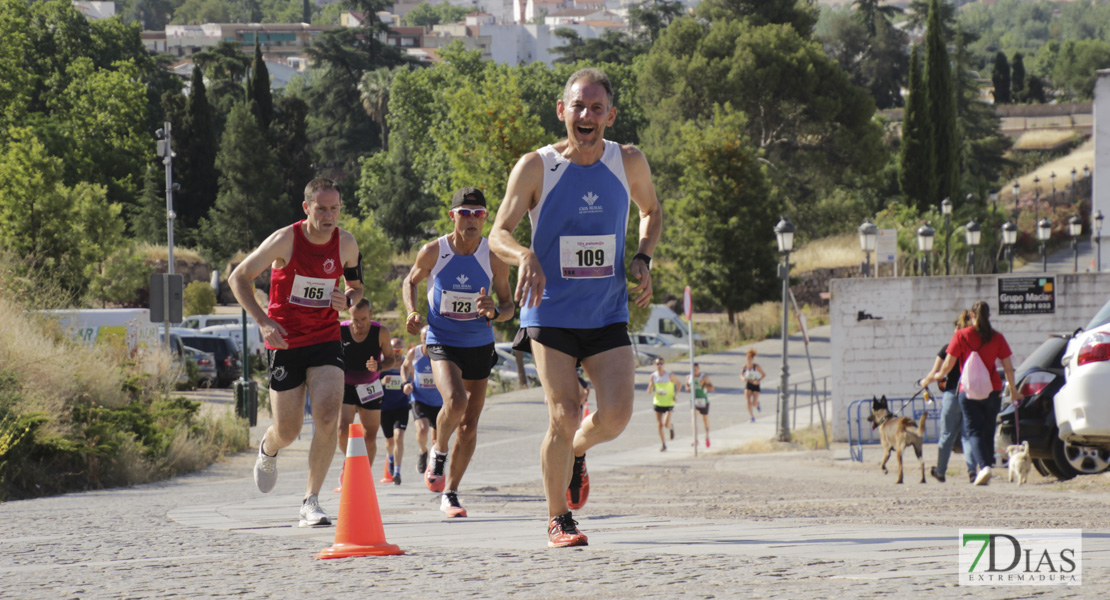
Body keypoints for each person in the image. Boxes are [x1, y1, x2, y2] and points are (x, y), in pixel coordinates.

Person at [489, 67, 662, 548]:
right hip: (549, 312)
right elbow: (498, 232)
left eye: (596, 108)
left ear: (610, 114)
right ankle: (558, 518)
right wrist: (524, 255)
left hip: (606, 312)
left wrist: (643, 257)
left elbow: (651, 210)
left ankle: (578, 453)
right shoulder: (536, 166)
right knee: (563, 413)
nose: (586, 116)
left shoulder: (627, 162)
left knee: (617, 416)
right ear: (562, 111)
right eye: (577, 107)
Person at [229, 177, 362, 527]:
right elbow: (238, 278)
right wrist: (262, 321)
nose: (329, 215)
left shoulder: (346, 243)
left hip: (326, 338)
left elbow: (356, 287)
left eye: (334, 208)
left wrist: (347, 300)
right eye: (321, 208)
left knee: (329, 416)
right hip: (286, 341)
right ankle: (269, 447)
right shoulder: (285, 239)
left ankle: (311, 500)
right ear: (307, 208)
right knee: (287, 430)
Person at [402, 187, 515, 518]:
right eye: (465, 213)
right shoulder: (434, 251)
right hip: (441, 339)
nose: (472, 220)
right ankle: (438, 451)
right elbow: (410, 281)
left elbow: (509, 306)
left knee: (469, 426)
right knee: (455, 401)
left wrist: (495, 310)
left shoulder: (493, 256)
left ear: (485, 219)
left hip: (479, 344)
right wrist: (412, 311)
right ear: (452, 216)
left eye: (478, 214)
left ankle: (450, 492)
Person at [932, 301, 1017, 486]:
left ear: (972, 315)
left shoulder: (961, 335)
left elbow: (947, 365)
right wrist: (1014, 391)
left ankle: (984, 467)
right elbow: (1008, 368)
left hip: (968, 390)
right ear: (988, 316)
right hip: (992, 389)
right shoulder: (997, 337)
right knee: (987, 430)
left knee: (972, 430)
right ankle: (985, 466)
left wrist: (934, 377)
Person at [334, 299, 394, 491]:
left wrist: (379, 366)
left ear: (371, 314)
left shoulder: (381, 332)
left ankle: (362, 476)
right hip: (346, 385)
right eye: (355, 320)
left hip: (370, 386)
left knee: (370, 436)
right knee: (343, 429)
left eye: (363, 319)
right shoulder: (340, 330)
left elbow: (391, 359)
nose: (359, 324)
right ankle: (349, 462)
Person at [918, 310, 971, 483]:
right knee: (967, 435)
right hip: (971, 394)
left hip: (952, 394)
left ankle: (940, 471)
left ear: (956, 328)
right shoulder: (973, 347)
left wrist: (924, 382)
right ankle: (973, 471)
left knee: (947, 434)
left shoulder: (947, 348)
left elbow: (937, 374)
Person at [402, 326, 442, 481]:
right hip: (419, 398)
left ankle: (434, 467)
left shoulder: (440, 353)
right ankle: (422, 451)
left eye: (430, 338)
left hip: (438, 401)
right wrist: (406, 383)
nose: (427, 341)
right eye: (425, 338)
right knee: (423, 429)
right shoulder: (415, 353)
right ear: (421, 338)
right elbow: (404, 367)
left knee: (437, 440)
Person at [379, 337, 409, 485]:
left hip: (402, 406)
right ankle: (390, 458)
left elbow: (415, 378)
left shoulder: (405, 364)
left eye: (399, 350)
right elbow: (372, 381)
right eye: (393, 350)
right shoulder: (384, 363)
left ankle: (397, 471)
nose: (396, 353)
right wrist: (382, 382)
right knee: (389, 441)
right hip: (385, 408)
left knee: (399, 437)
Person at [647, 357, 682, 451]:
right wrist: (650, 389)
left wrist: (675, 395)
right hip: (658, 402)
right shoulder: (653, 376)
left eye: (661, 363)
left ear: (664, 364)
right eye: (657, 364)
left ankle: (671, 427)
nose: (659, 365)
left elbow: (679, 384)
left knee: (666, 423)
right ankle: (663, 444)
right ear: (655, 365)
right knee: (659, 425)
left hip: (668, 402)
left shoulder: (669, 375)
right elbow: (650, 387)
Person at [687, 363, 716, 448]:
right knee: (694, 418)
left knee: (705, 420)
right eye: (693, 370)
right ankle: (695, 439)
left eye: (696, 369)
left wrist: (703, 384)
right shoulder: (689, 378)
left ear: (699, 369)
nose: (694, 371)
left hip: (703, 401)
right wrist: (689, 388)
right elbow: (687, 388)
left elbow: (712, 388)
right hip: (694, 400)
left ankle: (707, 436)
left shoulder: (704, 377)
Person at [742, 349, 765, 423]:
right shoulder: (744, 367)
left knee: (754, 403)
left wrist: (758, 380)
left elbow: (764, 375)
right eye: (748, 359)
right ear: (746, 359)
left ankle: (757, 404)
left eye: (750, 359)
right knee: (748, 401)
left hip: (755, 385)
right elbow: (741, 374)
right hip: (748, 384)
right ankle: (752, 417)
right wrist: (743, 378)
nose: (749, 361)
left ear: (753, 359)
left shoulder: (756, 366)